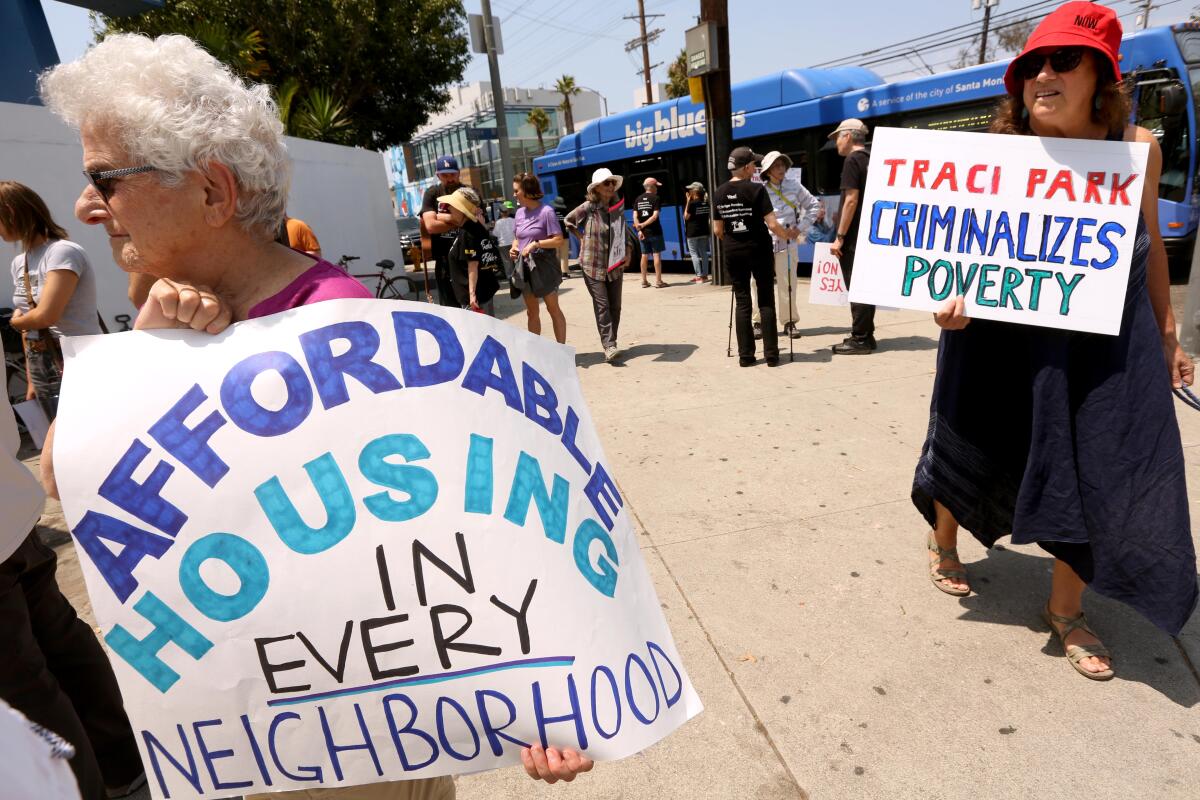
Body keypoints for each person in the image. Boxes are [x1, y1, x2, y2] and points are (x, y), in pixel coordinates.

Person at [40, 32, 593, 795]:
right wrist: (146, 352)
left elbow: (452, 547)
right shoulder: (158, 309)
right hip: (246, 732)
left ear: (211, 192)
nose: (85, 205)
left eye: (106, 178)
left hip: (349, 753)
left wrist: (544, 700)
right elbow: (64, 482)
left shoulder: (338, 326)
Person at [912, 1, 1198, 681]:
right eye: (1033, 63)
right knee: (975, 430)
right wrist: (943, 305)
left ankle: (1066, 608)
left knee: (1097, 459)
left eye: (1064, 60)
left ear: (1102, 75)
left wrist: (1167, 333)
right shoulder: (997, 153)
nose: (1044, 73)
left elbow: (1153, 247)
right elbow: (950, 252)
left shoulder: (1138, 149)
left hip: (1100, 340)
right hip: (996, 333)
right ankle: (944, 538)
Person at [0, 394, 145, 800]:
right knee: (58, 639)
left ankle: (86, 786)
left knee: (21, 687)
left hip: (10, 508)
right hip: (9, 504)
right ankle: (124, 763)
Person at [1, 182, 101, 421]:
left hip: (76, 355)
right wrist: (31, 377)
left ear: (12, 213)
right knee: (57, 435)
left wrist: (17, 321)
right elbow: (31, 323)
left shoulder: (62, 252)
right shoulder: (20, 262)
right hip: (41, 361)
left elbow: (47, 315)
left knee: (88, 426)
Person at [712, 147, 794, 367]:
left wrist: (733, 242)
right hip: (759, 249)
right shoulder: (757, 190)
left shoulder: (719, 192)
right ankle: (771, 354)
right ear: (746, 167)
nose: (755, 169)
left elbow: (718, 230)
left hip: (733, 251)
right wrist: (787, 235)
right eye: (754, 165)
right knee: (766, 298)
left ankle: (746, 355)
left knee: (742, 300)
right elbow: (772, 224)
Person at [565, 167, 632, 363]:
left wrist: (628, 251)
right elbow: (568, 221)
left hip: (614, 263)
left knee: (616, 306)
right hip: (592, 264)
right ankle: (608, 345)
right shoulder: (588, 207)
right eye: (606, 183)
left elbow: (624, 230)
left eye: (612, 182)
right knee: (603, 305)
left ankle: (613, 341)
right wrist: (581, 238)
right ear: (596, 188)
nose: (611, 186)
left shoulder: (617, 207)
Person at [828, 118, 875, 355]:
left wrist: (840, 236)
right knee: (865, 285)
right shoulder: (870, 159)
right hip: (869, 234)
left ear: (848, 136)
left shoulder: (852, 161)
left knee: (856, 286)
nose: (836, 142)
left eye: (837, 136)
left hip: (854, 236)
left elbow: (851, 200)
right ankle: (867, 334)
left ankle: (860, 338)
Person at [760, 151, 817, 339]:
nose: (781, 168)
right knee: (758, 283)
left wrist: (800, 228)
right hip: (764, 243)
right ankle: (758, 321)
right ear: (767, 171)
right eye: (776, 166)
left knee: (789, 282)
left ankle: (789, 321)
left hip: (788, 242)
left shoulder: (794, 185)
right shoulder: (760, 190)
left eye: (783, 164)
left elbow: (814, 206)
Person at [510, 172, 567, 343]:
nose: (514, 195)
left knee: (552, 309)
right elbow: (517, 238)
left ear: (527, 191)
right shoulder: (519, 213)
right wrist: (514, 248)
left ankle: (561, 351)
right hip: (525, 268)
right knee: (532, 312)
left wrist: (536, 244)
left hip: (544, 267)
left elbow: (558, 240)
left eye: (516, 191)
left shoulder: (546, 212)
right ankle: (536, 353)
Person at [442, 186, 502, 315]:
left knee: (480, 333)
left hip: (475, 299)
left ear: (461, 209)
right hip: (482, 293)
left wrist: (472, 295)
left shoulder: (468, 232)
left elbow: (473, 265)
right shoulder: (474, 227)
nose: (448, 208)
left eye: (452, 205)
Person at [420, 155, 464, 307]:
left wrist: (441, 216)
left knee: (475, 310)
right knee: (450, 310)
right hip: (444, 262)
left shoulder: (469, 192)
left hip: (468, 260)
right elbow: (431, 226)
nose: (450, 178)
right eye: (445, 175)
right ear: (438, 175)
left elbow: (478, 222)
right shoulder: (432, 193)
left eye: (453, 174)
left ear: (459, 173)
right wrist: (458, 221)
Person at [633, 177, 666, 288]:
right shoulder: (656, 198)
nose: (657, 188)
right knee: (656, 254)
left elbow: (635, 216)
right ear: (651, 187)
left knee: (644, 255)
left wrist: (639, 229)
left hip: (643, 233)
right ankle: (658, 281)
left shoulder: (638, 199)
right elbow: (655, 216)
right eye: (656, 186)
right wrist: (643, 225)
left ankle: (644, 281)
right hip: (655, 231)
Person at [683, 181, 711, 283]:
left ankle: (698, 276)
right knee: (704, 253)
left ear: (695, 191)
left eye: (690, 189)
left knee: (694, 253)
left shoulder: (692, 203)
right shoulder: (706, 203)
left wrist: (687, 201)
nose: (689, 191)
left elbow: (686, 217)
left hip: (692, 232)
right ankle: (705, 276)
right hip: (704, 231)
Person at [493, 199, 517, 280]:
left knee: (507, 262)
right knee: (516, 260)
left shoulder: (498, 222)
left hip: (503, 244)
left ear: (500, 212)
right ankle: (518, 276)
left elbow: (495, 234)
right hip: (513, 242)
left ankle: (510, 278)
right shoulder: (513, 220)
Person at [552, 196, 571, 279]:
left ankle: (557, 273)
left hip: (554, 236)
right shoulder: (566, 212)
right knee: (564, 255)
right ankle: (564, 273)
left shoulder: (552, 212)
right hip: (565, 236)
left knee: (556, 255)